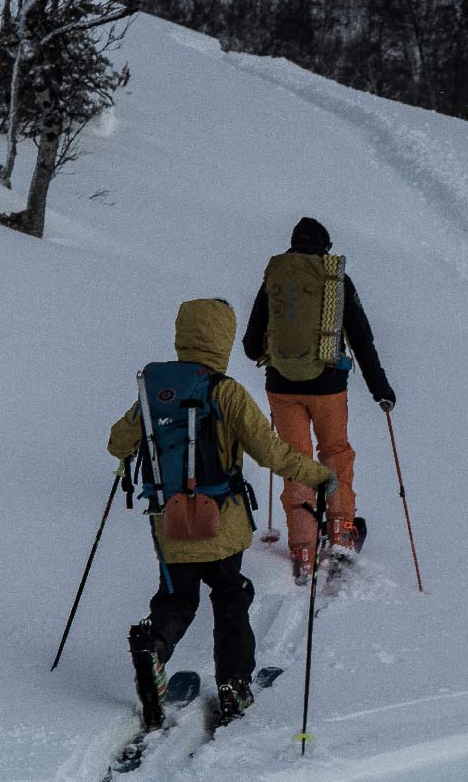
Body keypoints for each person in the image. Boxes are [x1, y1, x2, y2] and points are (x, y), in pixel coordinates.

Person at [109, 297, 333, 721]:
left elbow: (118, 442)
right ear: (223, 338)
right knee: (231, 596)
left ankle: (154, 649)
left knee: (177, 598)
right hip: (221, 524)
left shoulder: (155, 390)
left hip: (169, 525)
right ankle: (234, 684)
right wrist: (317, 475)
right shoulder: (225, 392)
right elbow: (271, 453)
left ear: (183, 335)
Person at [243, 216, 396, 581]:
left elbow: (251, 346)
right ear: (324, 247)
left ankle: (302, 547)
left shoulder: (274, 279)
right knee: (334, 453)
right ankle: (341, 531)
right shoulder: (335, 280)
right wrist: (381, 390)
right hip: (329, 385)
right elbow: (362, 339)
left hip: (281, 386)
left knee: (295, 460)